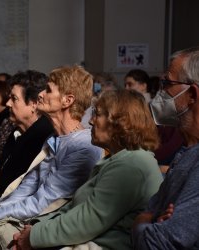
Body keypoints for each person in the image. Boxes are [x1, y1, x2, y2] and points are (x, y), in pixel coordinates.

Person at [0, 65, 103, 249]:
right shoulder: (54, 138)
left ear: (67, 100)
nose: (40, 95)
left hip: (46, 228)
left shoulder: (82, 146)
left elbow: (43, 202)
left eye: (48, 90)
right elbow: (24, 190)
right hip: (30, 219)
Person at [12, 89, 163, 250]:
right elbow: (75, 209)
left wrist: (33, 237)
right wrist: (33, 229)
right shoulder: (120, 159)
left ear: (120, 122)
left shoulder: (132, 164)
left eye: (97, 114)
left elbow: (87, 221)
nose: (90, 121)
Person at [133, 47, 199, 249]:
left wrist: (143, 223)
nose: (161, 92)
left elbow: (157, 243)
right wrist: (149, 220)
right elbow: (149, 211)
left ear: (192, 94)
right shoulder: (186, 151)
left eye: (168, 83)